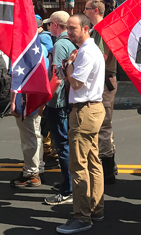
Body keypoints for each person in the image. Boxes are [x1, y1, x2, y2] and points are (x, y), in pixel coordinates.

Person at [56, 14, 105, 234]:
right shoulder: (89, 50)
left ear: (86, 28)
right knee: (93, 160)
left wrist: (68, 65)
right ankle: (95, 208)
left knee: (78, 165)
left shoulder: (86, 53)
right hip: (92, 108)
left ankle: (82, 216)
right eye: (67, 28)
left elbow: (76, 82)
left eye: (73, 28)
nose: (68, 32)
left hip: (85, 110)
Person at [9, 15, 50, 188]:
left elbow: (17, 78)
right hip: (31, 101)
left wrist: (13, 101)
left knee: (30, 138)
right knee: (35, 135)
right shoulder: (41, 51)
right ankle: (36, 168)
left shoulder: (30, 53)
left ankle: (31, 174)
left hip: (26, 101)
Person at [43, 11, 76, 205]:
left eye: (50, 24)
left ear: (55, 25)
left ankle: (68, 189)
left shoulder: (59, 44)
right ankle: (68, 183)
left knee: (62, 144)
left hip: (58, 101)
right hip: (68, 99)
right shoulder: (72, 42)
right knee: (66, 143)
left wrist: (46, 99)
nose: (48, 28)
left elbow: (56, 77)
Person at [84, 0, 118, 184]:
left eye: (87, 9)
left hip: (105, 80)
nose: (85, 11)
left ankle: (107, 169)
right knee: (102, 124)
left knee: (103, 124)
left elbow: (102, 57)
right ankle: (108, 164)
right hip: (101, 80)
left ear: (95, 11)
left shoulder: (103, 30)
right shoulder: (96, 30)